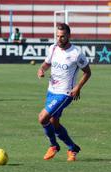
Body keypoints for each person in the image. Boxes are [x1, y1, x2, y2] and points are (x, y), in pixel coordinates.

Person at [37, 23, 91, 162]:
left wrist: (78, 87)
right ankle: (72, 148)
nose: (59, 39)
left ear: (68, 36)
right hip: (51, 91)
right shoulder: (53, 48)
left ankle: (53, 146)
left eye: (62, 36)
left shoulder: (76, 53)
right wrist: (42, 69)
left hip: (65, 93)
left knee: (43, 118)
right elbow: (46, 63)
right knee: (54, 122)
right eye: (57, 36)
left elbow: (87, 72)